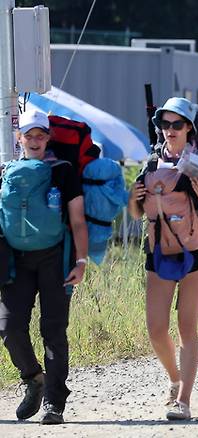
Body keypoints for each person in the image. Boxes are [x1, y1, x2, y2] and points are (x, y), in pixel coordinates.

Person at [128, 97, 198, 420]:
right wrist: (133, 198)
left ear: (189, 129)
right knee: (155, 328)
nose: (170, 130)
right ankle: (174, 377)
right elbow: (137, 212)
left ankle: (184, 400)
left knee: (187, 325)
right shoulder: (151, 164)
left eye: (177, 124)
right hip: (159, 248)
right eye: (164, 124)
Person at [0, 110, 88, 425]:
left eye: (40, 135)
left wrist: (81, 261)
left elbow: (77, 219)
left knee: (53, 332)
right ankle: (33, 378)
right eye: (29, 135)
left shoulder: (63, 171)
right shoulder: (5, 172)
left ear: (48, 138)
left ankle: (55, 402)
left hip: (56, 258)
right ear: (19, 138)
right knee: (8, 327)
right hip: (16, 261)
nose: (35, 141)